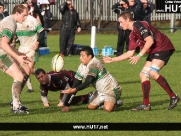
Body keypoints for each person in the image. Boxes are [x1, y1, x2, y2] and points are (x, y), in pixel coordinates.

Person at [103, 11, 180, 111]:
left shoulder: (138, 24)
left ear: (128, 19)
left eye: (121, 22)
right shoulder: (132, 35)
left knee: (152, 72)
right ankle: (146, 104)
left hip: (162, 47)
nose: (120, 25)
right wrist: (112, 59)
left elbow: (150, 40)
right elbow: (129, 53)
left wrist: (139, 55)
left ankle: (173, 97)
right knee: (143, 75)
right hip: (153, 51)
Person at [61, 46, 122, 112]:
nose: (80, 58)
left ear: (89, 56)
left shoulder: (95, 64)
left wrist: (74, 90)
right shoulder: (81, 67)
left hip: (111, 90)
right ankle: (105, 103)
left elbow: (88, 82)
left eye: (82, 56)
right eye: (80, 56)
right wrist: (67, 105)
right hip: (100, 92)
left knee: (107, 109)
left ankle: (116, 102)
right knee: (90, 107)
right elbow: (75, 84)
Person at [0, 4, 31, 114]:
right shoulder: (10, 23)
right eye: (24, 15)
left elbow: (7, 45)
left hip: (3, 53)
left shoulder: (11, 21)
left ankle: (15, 101)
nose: (26, 17)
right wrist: (17, 56)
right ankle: (16, 106)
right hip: (1, 54)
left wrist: (20, 54)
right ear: (17, 13)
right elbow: (3, 44)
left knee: (26, 69)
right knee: (18, 76)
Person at [16, 2, 44, 93]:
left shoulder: (32, 20)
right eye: (23, 8)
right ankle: (41, 74)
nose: (25, 10)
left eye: (26, 8)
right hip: (22, 48)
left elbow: (42, 32)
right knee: (26, 70)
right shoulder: (16, 21)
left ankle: (20, 91)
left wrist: (37, 42)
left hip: (32, 48)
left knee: (26, 71)